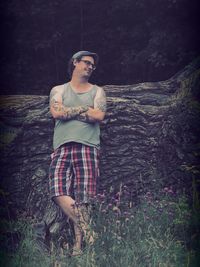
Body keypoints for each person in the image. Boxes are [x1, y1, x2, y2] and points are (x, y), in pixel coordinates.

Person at [49, 51, 106, 255]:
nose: (90, 67)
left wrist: (70, 111)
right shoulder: (59, 89)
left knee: (83, 199)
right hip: (62, 146)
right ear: (75, 62)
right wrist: (84, 109)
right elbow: (56, 112)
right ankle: (89, 231)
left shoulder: (98, 91)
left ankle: (78, 248)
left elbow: (98, 115)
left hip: (88, 146)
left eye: (93, 65)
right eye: (86, 63)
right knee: (57, 191)